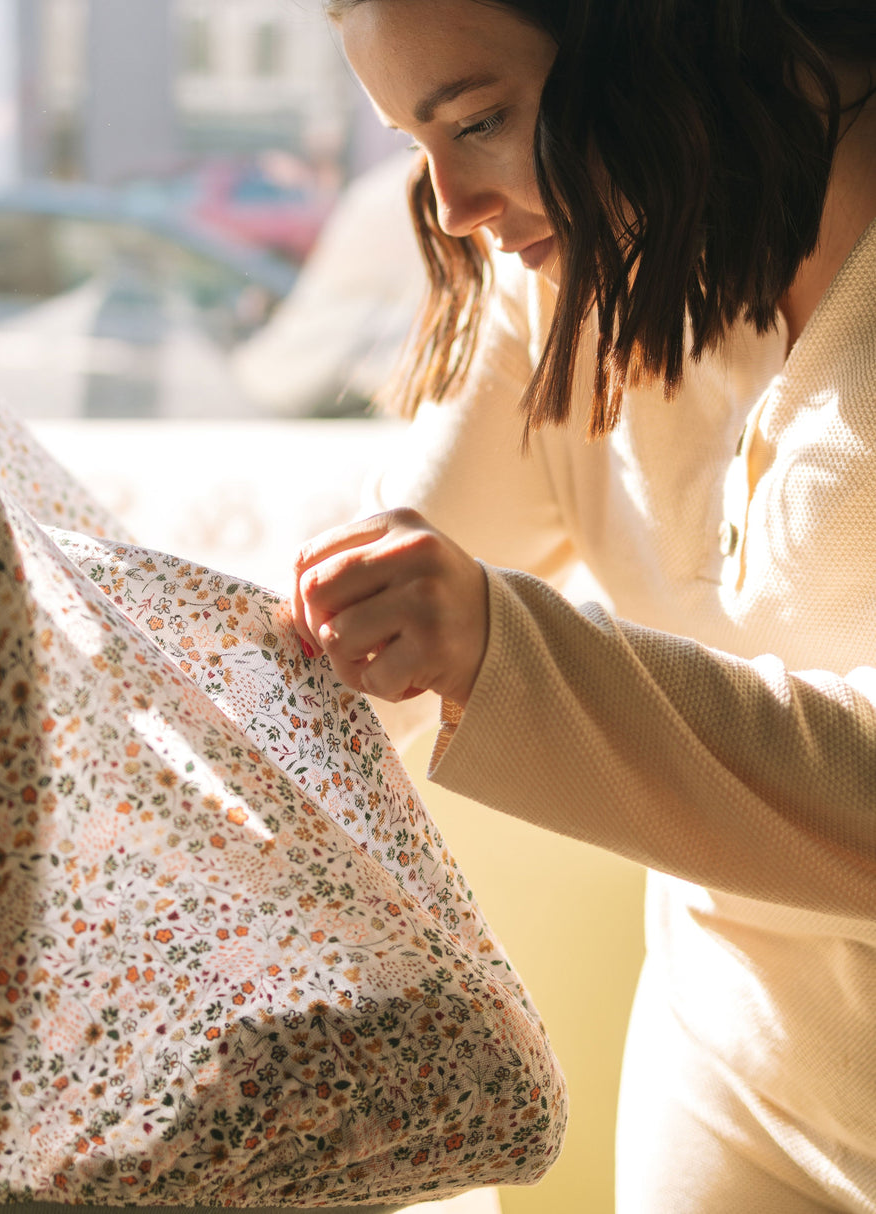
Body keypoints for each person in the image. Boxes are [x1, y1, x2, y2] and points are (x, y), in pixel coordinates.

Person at [293, 1, 876, 1211]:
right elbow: (350, 637)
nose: (450, 206)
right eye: (417, 142)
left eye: (482, 119)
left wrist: (507, 649)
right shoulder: (584, 273)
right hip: (729, 1074)